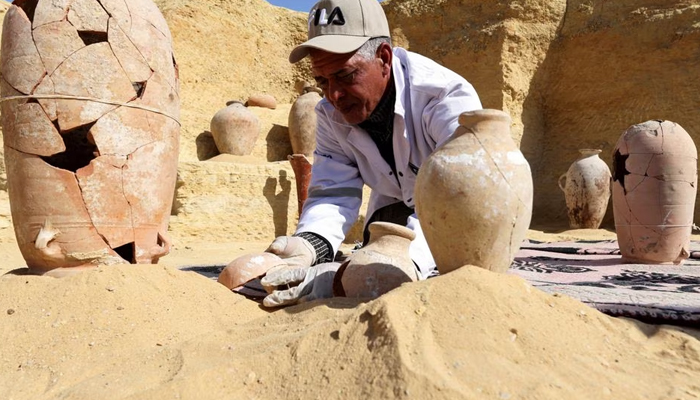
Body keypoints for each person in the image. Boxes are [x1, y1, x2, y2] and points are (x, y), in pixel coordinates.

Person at [260, 0, 483, 307]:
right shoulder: (328, 114)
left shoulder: (446, 99)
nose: (333, 96)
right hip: (392, 209)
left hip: (455, 214)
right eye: (322, 81)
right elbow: (333, 192)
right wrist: (310, 244)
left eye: (346, 75)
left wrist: (401, 262)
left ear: (384, 58)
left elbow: (461, 201)